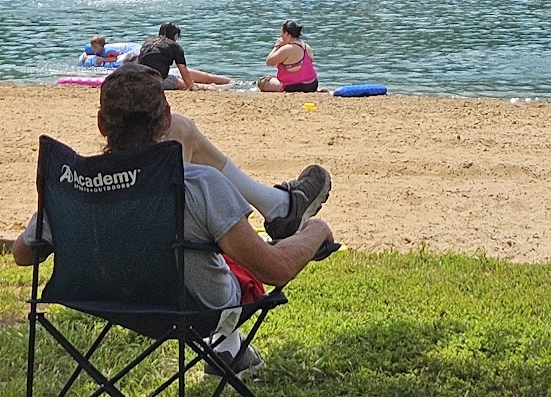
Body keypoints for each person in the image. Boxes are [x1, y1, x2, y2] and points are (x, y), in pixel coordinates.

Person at [11, 65, 336, 377]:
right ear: (165, 118)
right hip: (198, 310)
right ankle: (281, 210)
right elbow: (274, 269)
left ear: (101, 123)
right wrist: (316, 230)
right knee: (232, 249)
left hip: (108, 302)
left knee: (193, 233)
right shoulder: (200, 185)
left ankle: (229, 348)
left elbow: (23, 255)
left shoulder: (73, 186)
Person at [137, 22, 232, 90]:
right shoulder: (174, 46)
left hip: (140, 78)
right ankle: (211, 87)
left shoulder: (148, 42)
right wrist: (191, 86)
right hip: (155, 81)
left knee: (178, 79)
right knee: (184, 83)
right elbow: (183, 69)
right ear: (175, 35)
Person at [257, 21, 318, 93]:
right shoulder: (307, 47)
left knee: (262, 82)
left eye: (282, 33)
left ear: (286, 34)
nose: (281, 36)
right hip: (312, 85)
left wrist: (277, 46)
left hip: (293, 86)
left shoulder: (288, 48)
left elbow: (269, 62)